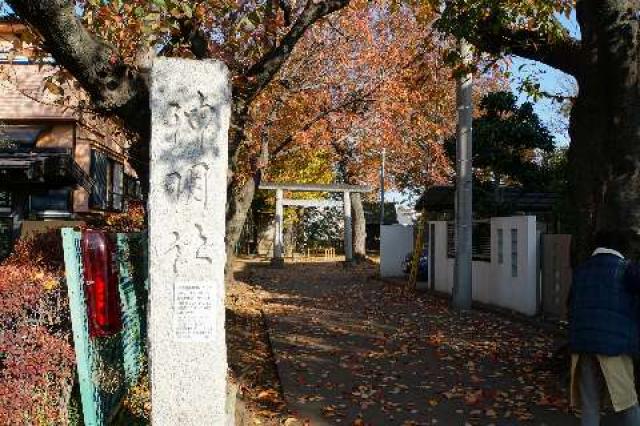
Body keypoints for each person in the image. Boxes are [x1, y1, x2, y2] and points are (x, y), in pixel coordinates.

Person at [569, 230, 640, 425]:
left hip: (583, 344)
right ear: (621, 247)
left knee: (590, 404)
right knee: (628, 401)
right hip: (615, 346)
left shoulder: (581, 270)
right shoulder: (627, 269)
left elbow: (570, 304)